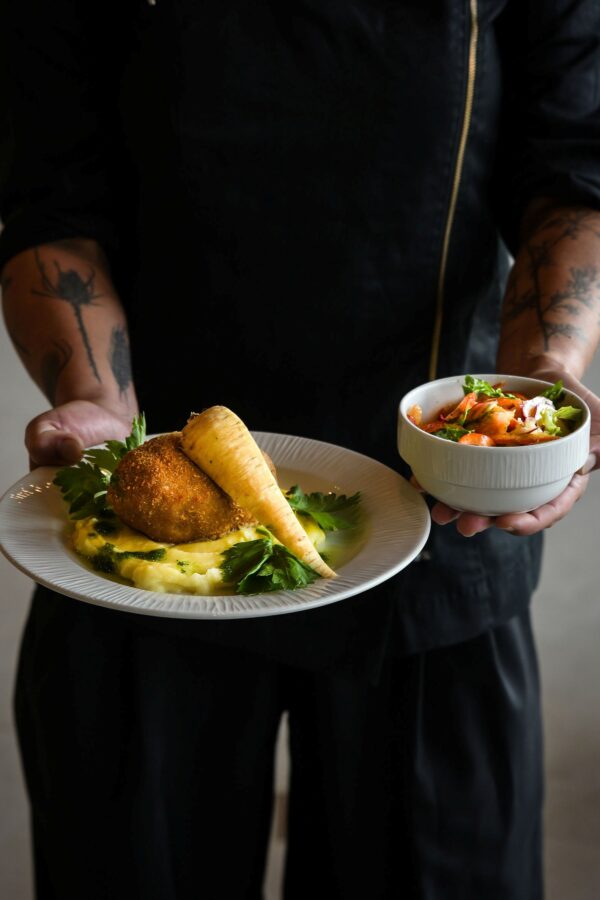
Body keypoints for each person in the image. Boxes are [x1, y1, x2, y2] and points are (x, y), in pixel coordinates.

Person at [1, 1, 599, 898]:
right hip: (139, 557)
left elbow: (574, 168)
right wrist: (96, 400)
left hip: (441, 521)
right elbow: (51, 195)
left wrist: (536, 391)